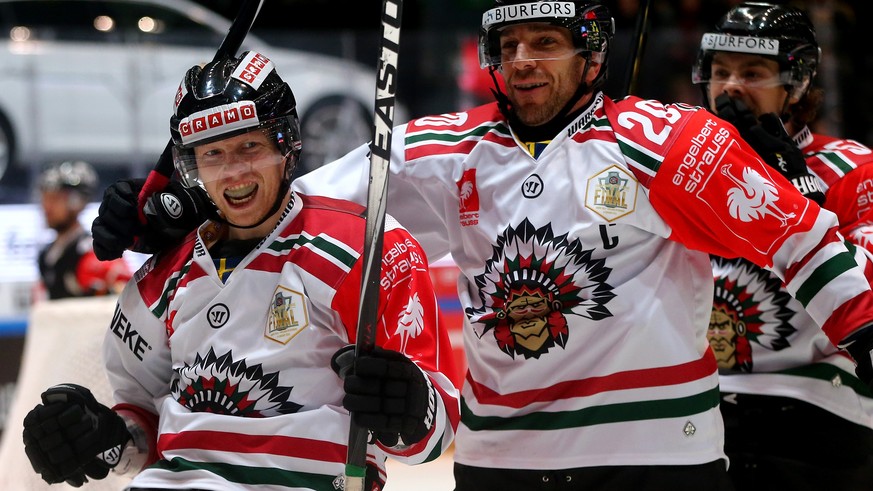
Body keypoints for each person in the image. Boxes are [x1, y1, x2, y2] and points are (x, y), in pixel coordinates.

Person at [88, 1, 873, 490]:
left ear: (589, 49)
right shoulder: (444, 148)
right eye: (509, 44)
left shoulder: (663, 138)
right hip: (502, 466)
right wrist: (176, 203)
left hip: (654, 458)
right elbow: (288, 192)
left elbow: (794, 233)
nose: (524, 61)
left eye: (545, 41)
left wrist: (861, 322)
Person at [21, 50, 460, 490]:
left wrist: (408, 407)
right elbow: (143, 427)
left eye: (249, 147)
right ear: (190, 166)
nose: (233, 173)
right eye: (212, 154)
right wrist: (105, 439)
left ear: (286, 145)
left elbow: (433, 435)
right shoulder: (163, 276)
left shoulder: (367, 252)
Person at [691, 3, 873, 489]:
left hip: (817, 406)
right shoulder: (682, 173)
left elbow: (864, 297)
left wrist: (794, 185)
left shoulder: (851, 169)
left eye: (752, 72)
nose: (730, 87)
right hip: (701, 408)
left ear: (794, 83)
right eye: (720, 71)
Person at [35, 160, 131, 300]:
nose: (47, 207)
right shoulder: (47, 254)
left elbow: (125, 293)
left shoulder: (92, 252)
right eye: (45, 198)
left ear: (77, 202)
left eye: (55, 199)